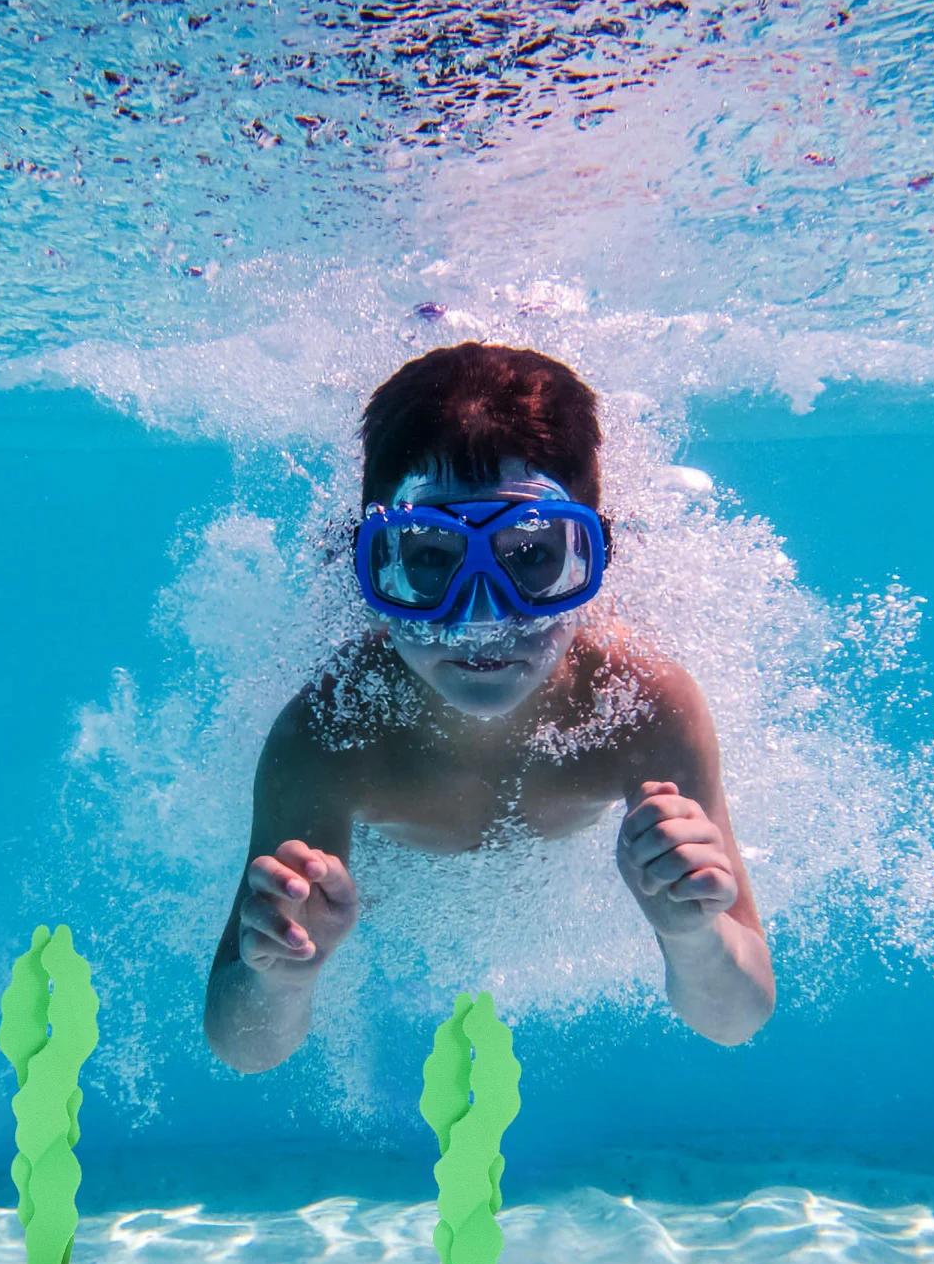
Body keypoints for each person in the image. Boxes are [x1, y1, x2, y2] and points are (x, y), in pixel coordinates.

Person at [204, 342, 774, 1072]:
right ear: (374, 570)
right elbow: (242, 1047)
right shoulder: (332, 734)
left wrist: (694, 936)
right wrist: (282, 976)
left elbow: (735, 1018)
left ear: (597, 561)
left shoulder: (642, 705)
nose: (480, 617)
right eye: (430, 560)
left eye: (532, 555)